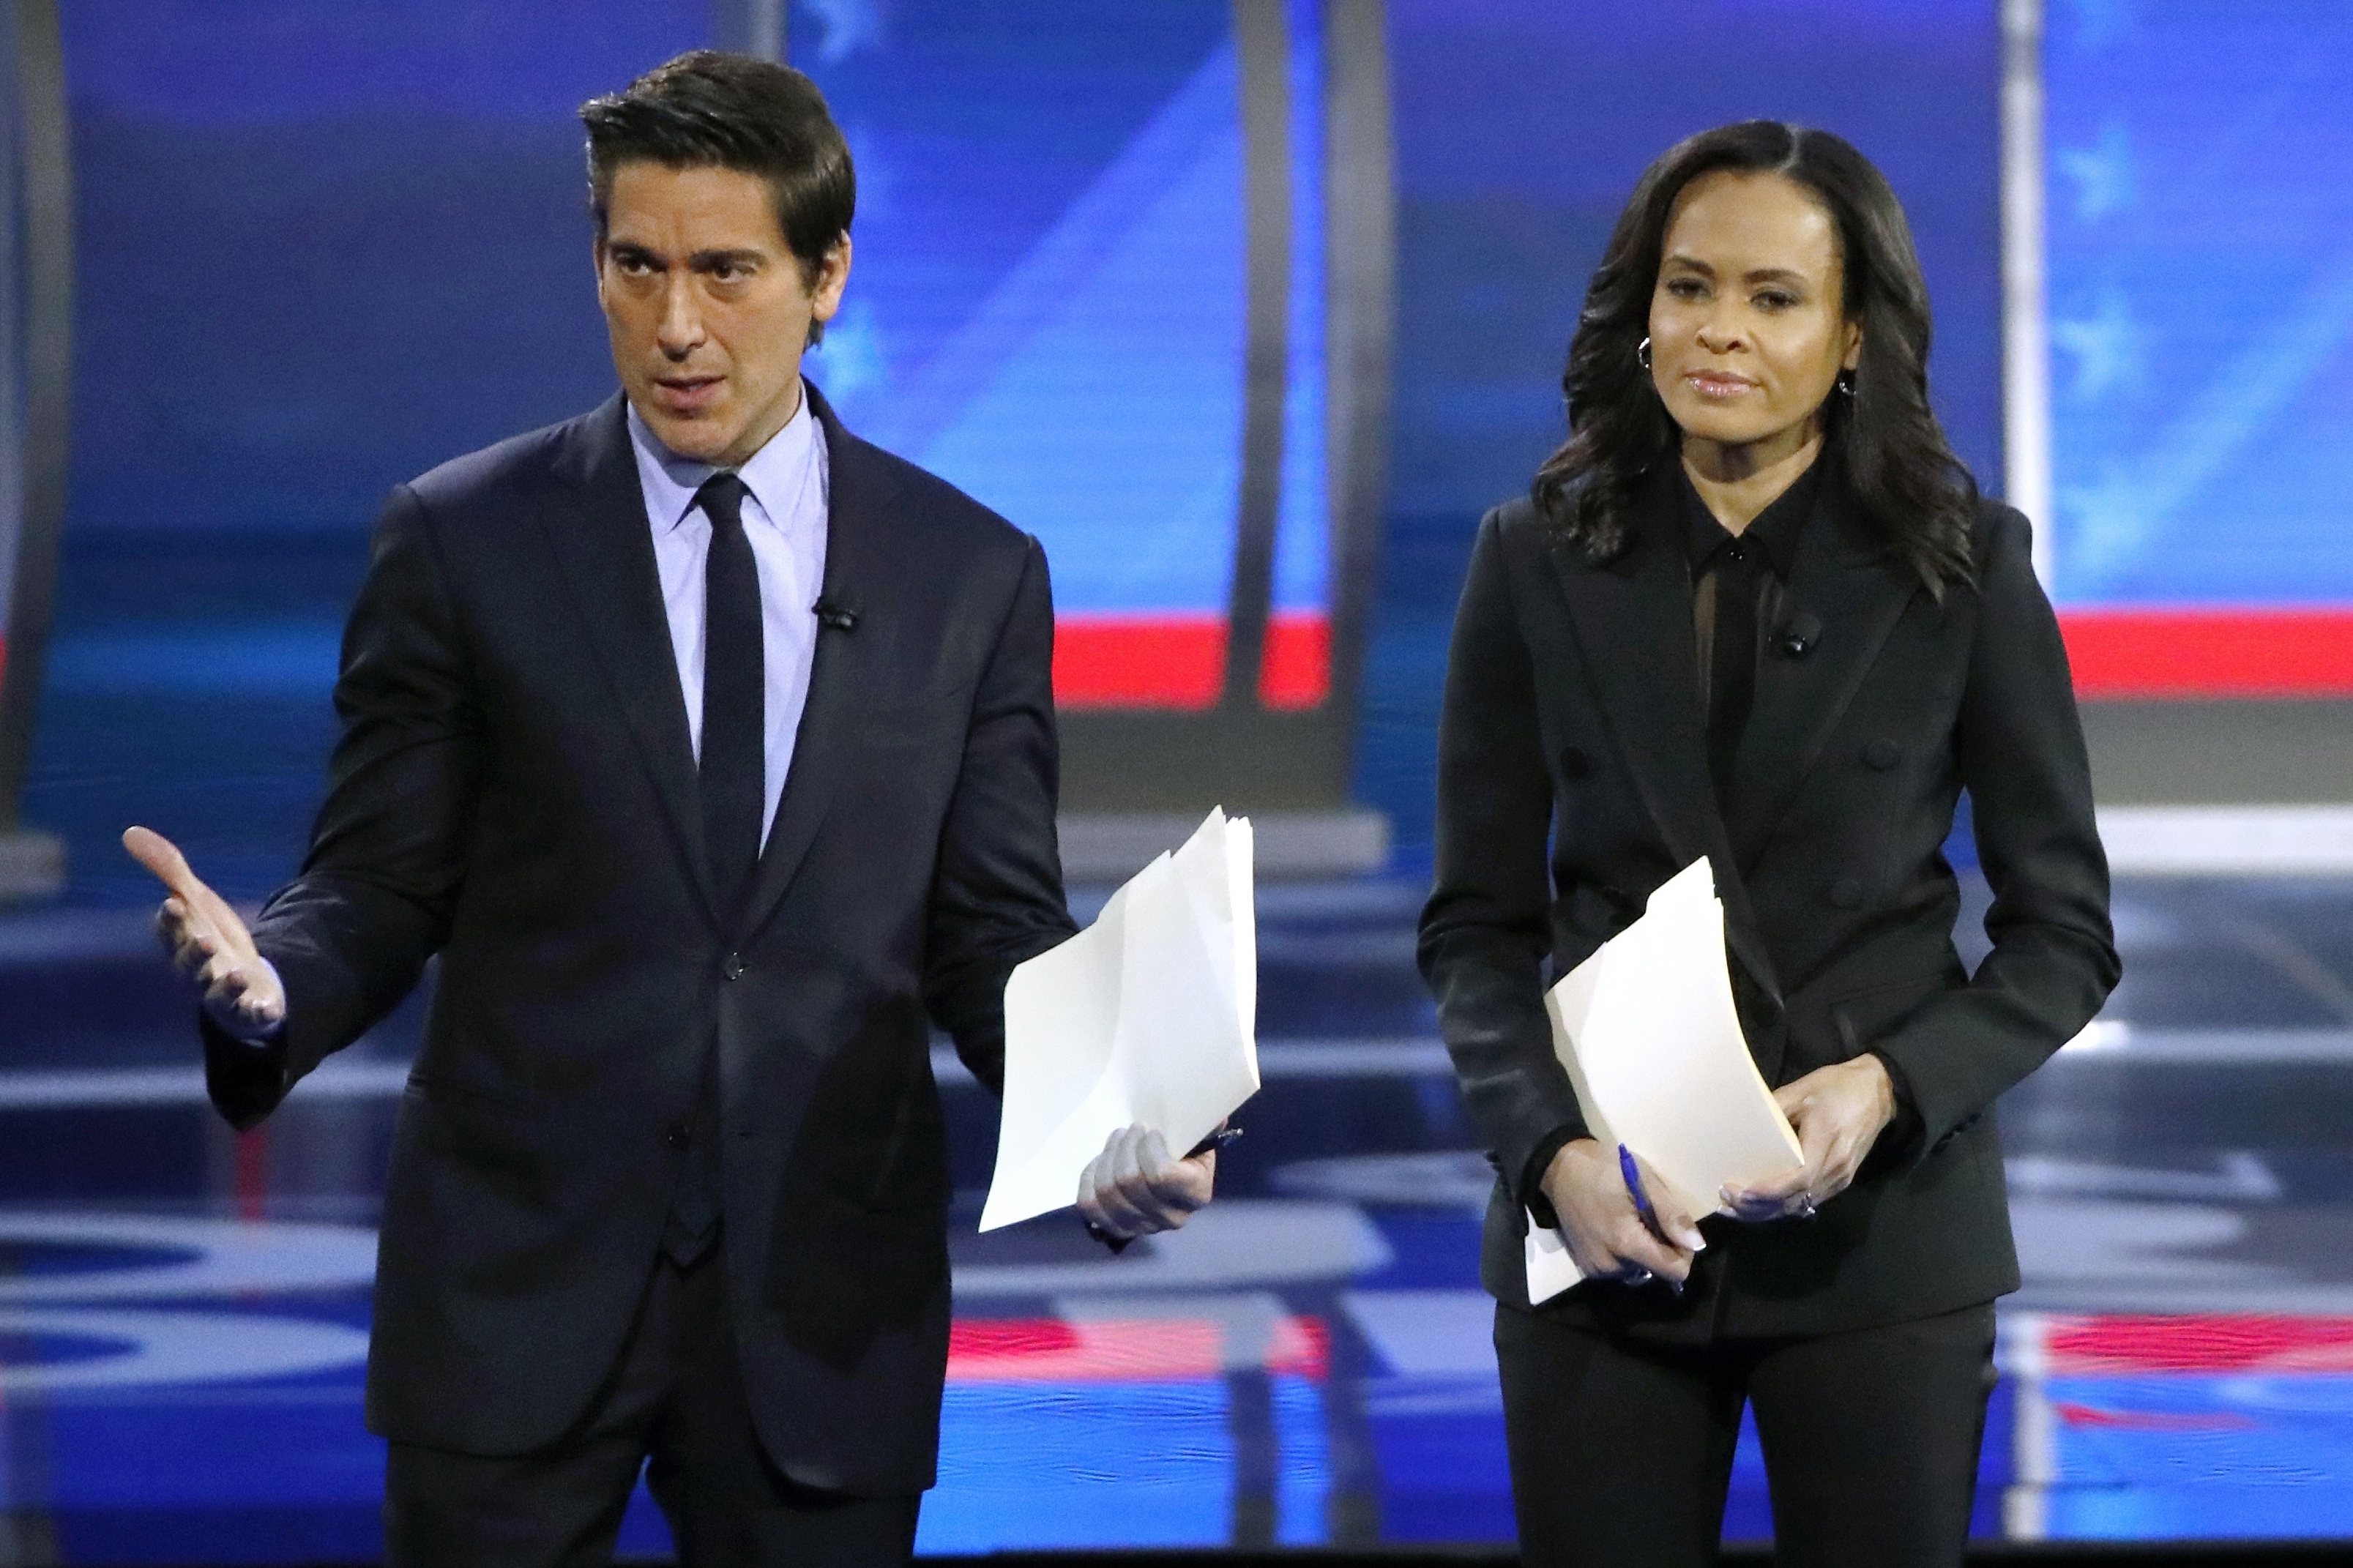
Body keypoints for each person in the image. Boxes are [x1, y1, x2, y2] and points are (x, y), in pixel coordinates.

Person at [124, 51, 1215, 1568]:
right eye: (636, 267)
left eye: (725, 271)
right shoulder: (461, 541)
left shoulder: (969, 574)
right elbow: (377, 878)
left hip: (819, 1313)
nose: (677, 325)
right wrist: (272, 982)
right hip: (512, 1292)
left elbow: (988, 930)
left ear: (826, 275)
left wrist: (1107, 1110)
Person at [1417, 121, 2119, 1567]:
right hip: (1607, 1232)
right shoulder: (1532, 557)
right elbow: (1472, 928)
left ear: (1853, 334)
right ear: (1640, 310)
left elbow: (2061, 939)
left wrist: (1885, 1086)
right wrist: (1546, 1152)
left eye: (1771, 297)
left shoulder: (1963, 568)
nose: (1715, 330)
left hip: (1879, 1248)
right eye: (1686, 288)